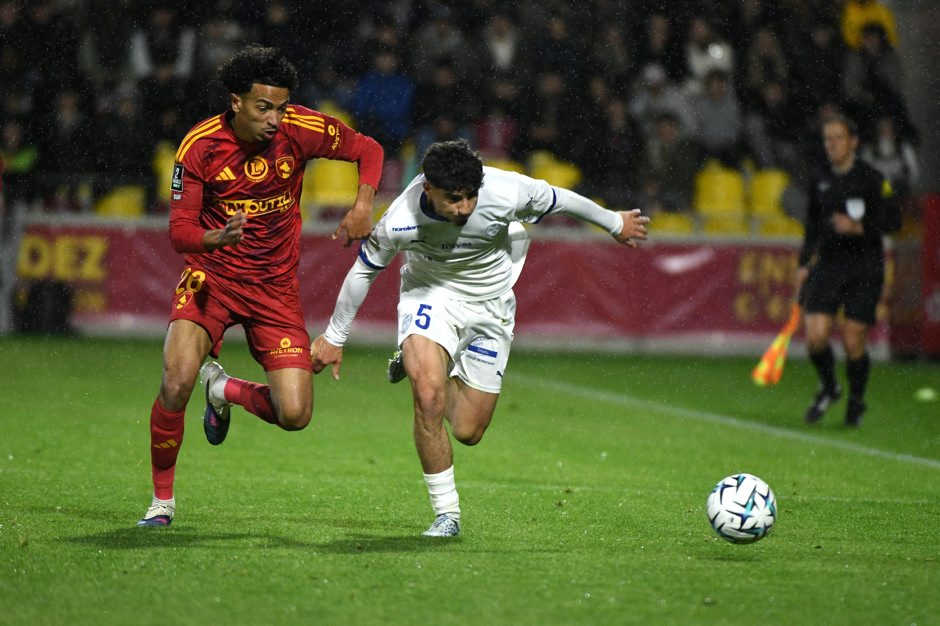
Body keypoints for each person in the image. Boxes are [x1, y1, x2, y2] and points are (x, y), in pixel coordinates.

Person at [310, 140, 649, 537]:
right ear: (428, 189)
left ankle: (426, 364)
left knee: (468, 430)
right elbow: (363, 271)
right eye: (454, 199)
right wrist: (334, 336)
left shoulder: (504, 190)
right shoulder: (399, 220)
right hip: (430, 296)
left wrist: (614, 222)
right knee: (428, 398)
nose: (465, 207)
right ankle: (446, 514)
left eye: (471, 196)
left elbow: (561, 200)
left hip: (491, 305)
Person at [137, 45, 384, 527]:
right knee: (176, 381)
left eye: (281, 108)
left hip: (274, 289)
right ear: (236, 101)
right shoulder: (200, 146)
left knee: (295, 414)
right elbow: (179, 232)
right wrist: (216, 237)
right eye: (264, 107)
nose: (275, 119)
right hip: (213, 278)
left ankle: (222, 387)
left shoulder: (300, 128)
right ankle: (162, 502)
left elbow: (368, 149)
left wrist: (362, 206)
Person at [794, 115, 900, 427]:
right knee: (815, 338)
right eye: (827, 138)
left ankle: (856, 400)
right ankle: (830, 387)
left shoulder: (872, 178)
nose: (832, 144)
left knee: (853, 341)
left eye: (838, 137)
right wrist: (803, 264)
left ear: (854, 142)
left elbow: (894, 220)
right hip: (828, 264)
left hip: (864, 267)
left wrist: (860, 227)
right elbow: (812, 226)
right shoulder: (819, 177)